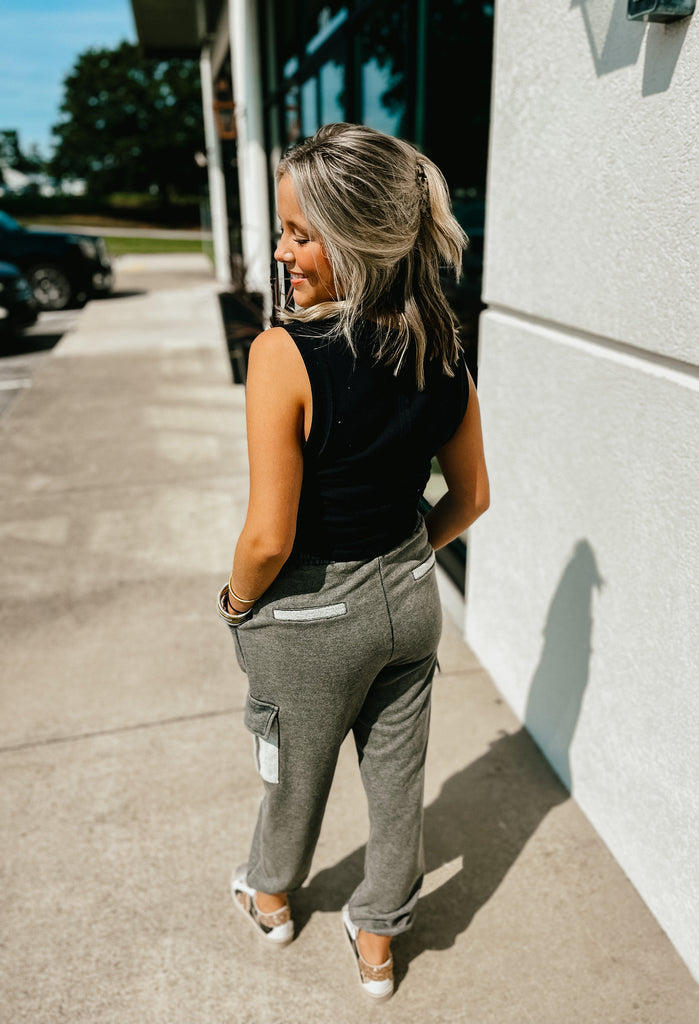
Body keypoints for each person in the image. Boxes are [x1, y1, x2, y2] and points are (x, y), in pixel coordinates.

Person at [218, 122, 489, 1000]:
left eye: (300, 235)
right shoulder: (442, 344)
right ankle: (378, 939)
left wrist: (235, 603)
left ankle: (270, 896)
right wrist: (406, 561)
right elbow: (471, 498)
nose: (281, 252)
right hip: (412, 600)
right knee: (399, 781)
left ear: (356, 241)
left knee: (293, 774)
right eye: (283, 231)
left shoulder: (282, 355)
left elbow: (268, 538)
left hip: (310, 618)